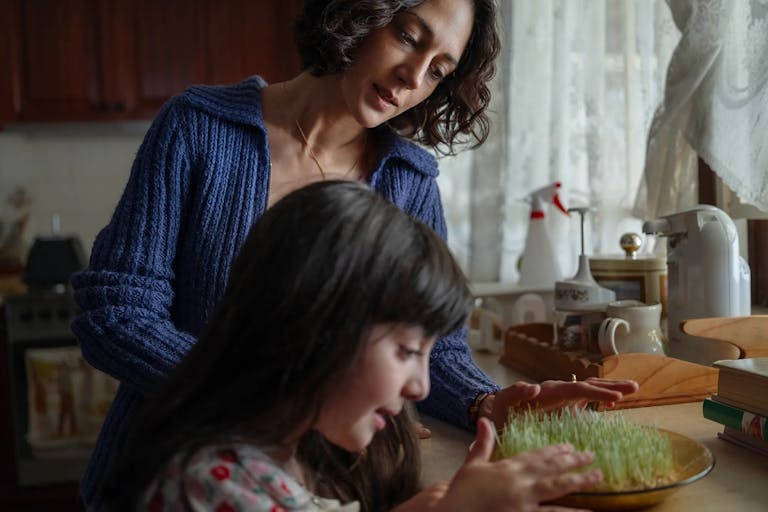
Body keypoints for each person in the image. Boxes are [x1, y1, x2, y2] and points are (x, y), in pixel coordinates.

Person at [72, 0, 638, 509]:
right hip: (172, 477)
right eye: (409, 37)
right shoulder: (199, 128)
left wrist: (483, 403)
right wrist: (287, 401)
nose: (413, 77)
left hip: (321, 489)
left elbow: (427, 347)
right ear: (358, 14)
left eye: (439, 70)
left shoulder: (409, 179)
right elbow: (116, 315)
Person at [102, 180, 605, 512]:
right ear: (316, 328)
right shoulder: (211, 486)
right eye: (408, 351)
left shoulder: (285, 455)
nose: (422, 386)